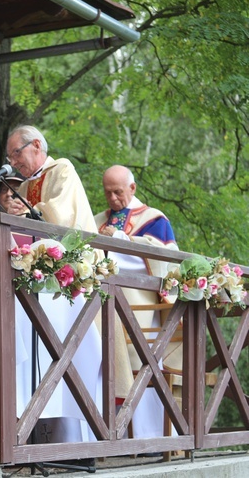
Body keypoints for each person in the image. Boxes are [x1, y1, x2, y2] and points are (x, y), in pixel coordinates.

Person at [4, 125, 132, 445]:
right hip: (42, 278)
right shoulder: (30, 181)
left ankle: (78, 439)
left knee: (70, 357)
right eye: (9, 157)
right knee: (43, 354)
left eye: (16, 154)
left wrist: (28, 214)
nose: (13, 162)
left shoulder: (61, 170)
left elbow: (59, 218)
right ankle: (35, 431)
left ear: (36, 145)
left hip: (72, 277)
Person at [94, 165, 180, 439]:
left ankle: (151, 438)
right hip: (103, 307)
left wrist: (120, 239)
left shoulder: (154, 219)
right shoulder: (97, 220)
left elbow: (165, 259)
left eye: (118, 192)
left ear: (132, 189)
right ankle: (110, 437)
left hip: (140, 308)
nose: (113, 198)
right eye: (108, 192)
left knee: (142, 364)